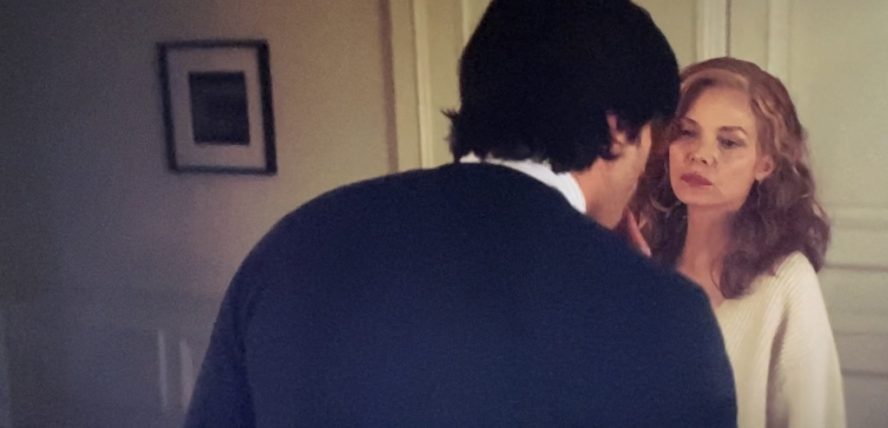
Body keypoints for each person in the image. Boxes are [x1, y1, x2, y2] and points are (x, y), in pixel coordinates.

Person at [185, 1, 737, 426]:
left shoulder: (296, 244)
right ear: (618, 130)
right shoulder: (667, 317)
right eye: (652, 137)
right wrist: (639, 294)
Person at [630, 57, 846, 427]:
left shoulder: (786, 281)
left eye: (729, 142)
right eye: (686, 132)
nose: (701, 154)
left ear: (765, 164)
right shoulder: (641, 259)